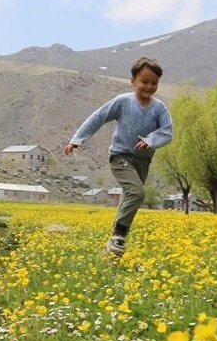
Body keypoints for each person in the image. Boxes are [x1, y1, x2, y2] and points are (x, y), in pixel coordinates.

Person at [64, 56, 173, 256]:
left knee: (129, 198)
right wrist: (77, 139)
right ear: (133, 81)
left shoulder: (159, 108)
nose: (149, 87)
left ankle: (112, 247)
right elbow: (98, 117)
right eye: (144, 82)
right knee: (137, 193)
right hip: (120, 157)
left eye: (154, 83)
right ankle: (119, 236)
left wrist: (150, 140)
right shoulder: (123, 102)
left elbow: (167, 132)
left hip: (142, 160)